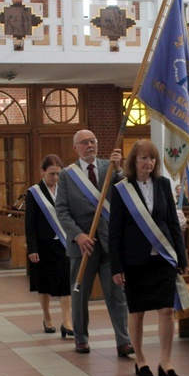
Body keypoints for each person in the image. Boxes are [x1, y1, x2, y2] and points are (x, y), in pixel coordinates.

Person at [109, 140, 188, 376]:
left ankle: (166, 362)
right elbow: (115, 230)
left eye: (152, 159)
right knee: (138, 312)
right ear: (134, 161)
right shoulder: (122, 188)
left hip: (162, 258)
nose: (149, 162)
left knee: (166, 310)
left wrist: (181, 256)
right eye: (143, 158)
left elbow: (173, 224)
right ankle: (141, 359)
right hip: (134, 259)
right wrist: (116, 266)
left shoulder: (163, 185)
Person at [56, 130, 133, 356]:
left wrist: (119, 169)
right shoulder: (67, 175)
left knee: (117, 294)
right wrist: (78, 235)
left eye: (93, 141)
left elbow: (127, 191)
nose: (90, 145)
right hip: (83, 246)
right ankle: (81, 338)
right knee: (79, 295)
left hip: (110, 244)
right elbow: (61, 210)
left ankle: (123, 341)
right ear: (76, 148)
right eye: (84, 142)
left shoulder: (109, 168)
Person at [25, 154, 73, 337]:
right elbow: (29, 223)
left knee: (65, 283)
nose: (55, 178)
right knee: (43, 283)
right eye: (51, 174)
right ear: (43, 172)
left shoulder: (64, 190)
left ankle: (67, 321)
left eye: (58, 174)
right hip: (43, 245)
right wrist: (32, 248)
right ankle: (47, 317)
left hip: (62, 243)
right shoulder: (34, 192)